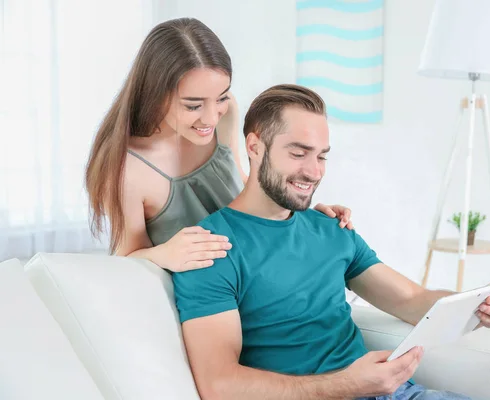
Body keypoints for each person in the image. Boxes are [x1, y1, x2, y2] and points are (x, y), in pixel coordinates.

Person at [173, 84, 490, 400]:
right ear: (255, 147)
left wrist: (481, 304)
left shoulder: (331, 228)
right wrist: (349, 384)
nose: (314, 172)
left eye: (322, 155)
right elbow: (219, 385)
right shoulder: (210, 250)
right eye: (298, 153)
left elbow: (414, 300)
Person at [84, 18, 353, 272]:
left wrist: (302, 215)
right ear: (155, 95)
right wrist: (164, 253)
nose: (211, 117)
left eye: (222, 97)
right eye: (194, 105)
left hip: (257, 266)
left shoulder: (226, 114)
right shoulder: (128, 169)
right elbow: (125, 260)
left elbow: (244, 186)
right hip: (206, 296)